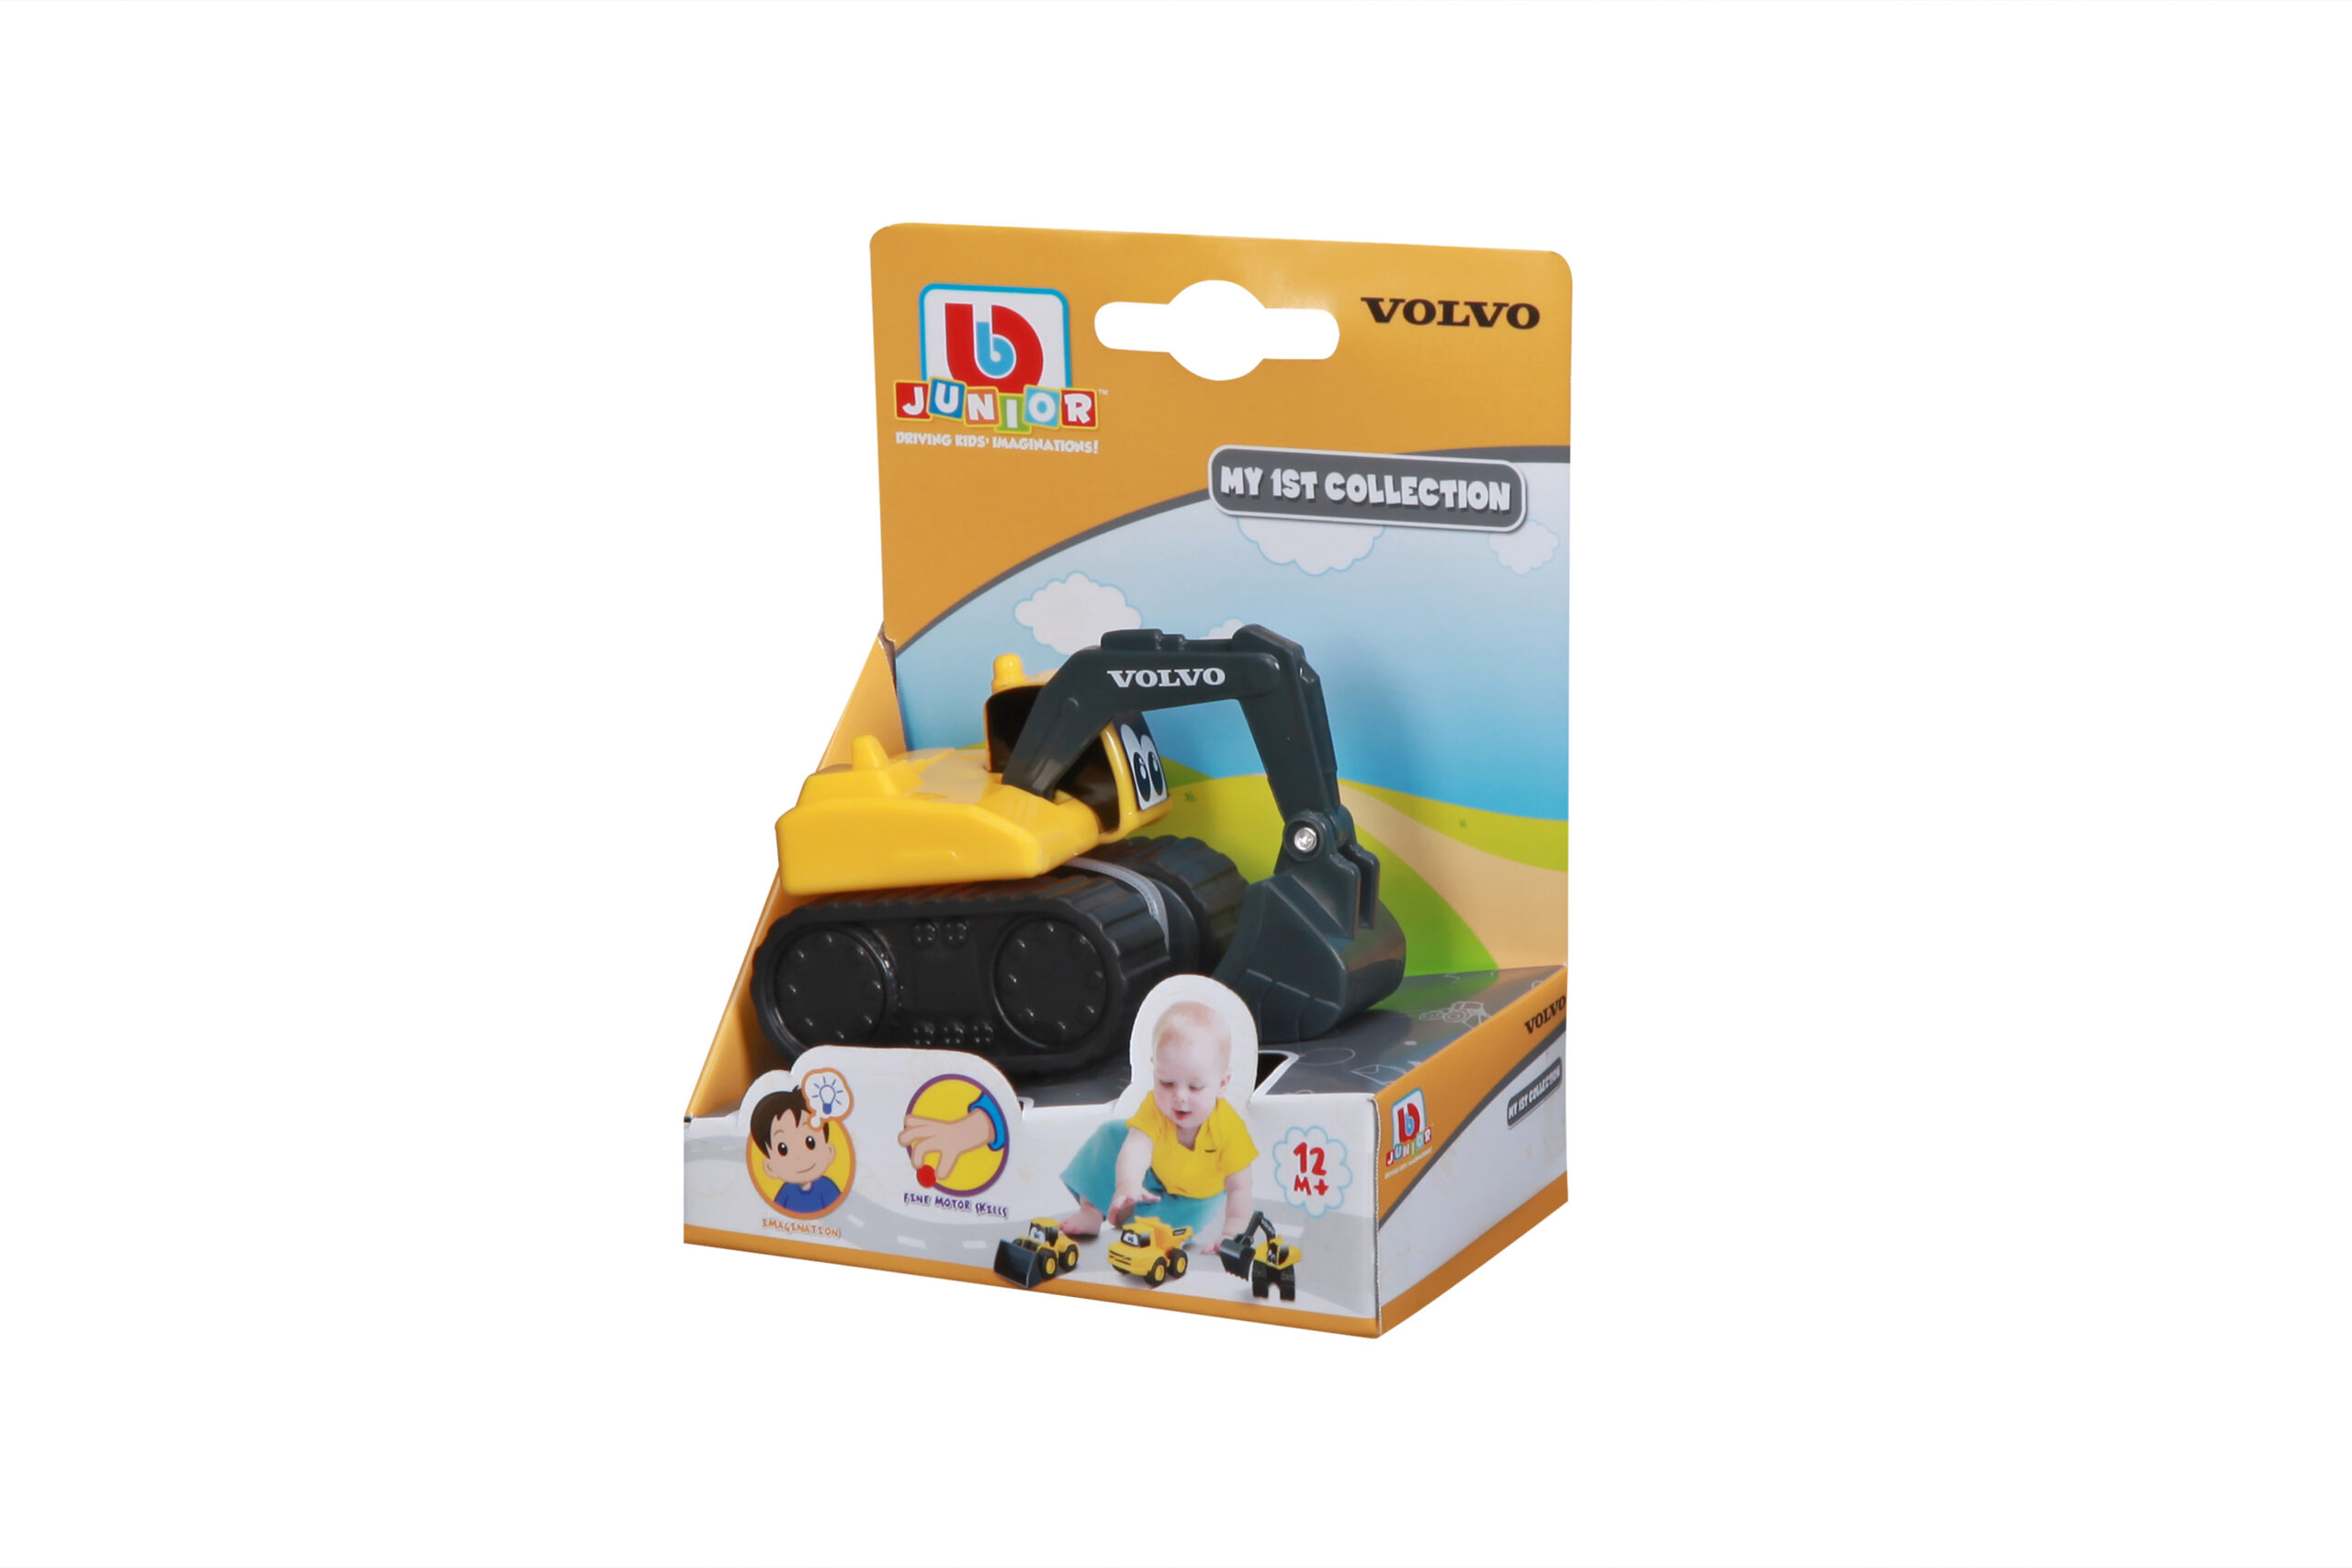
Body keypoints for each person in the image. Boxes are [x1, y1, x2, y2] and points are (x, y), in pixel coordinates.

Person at [1058, 999, 1257, 1248]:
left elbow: (1240, 1188)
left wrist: (1233, 1234)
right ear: (1154, 1068)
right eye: (1167, 1083)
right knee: (1111, 1134)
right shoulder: (1155, 1107)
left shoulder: (1228, 1128)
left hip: (1195, 1197)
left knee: (1170, 1228)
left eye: (1195, 1087)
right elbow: (1136, 1148)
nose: (1179, 1096)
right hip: (1154, 1173)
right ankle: (1092, 1210)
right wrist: (1128, 1183)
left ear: (1222, 1084)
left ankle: (1139, 1219)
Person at [751, 1087, 842, 1214]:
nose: (799, 1157)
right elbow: (775, 1214)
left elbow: (840, 1214)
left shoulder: (826, 1187)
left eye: (810, 1143)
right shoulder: (787, 1191)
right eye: (783, 1150)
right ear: (770, 1167)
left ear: (829, 1151)